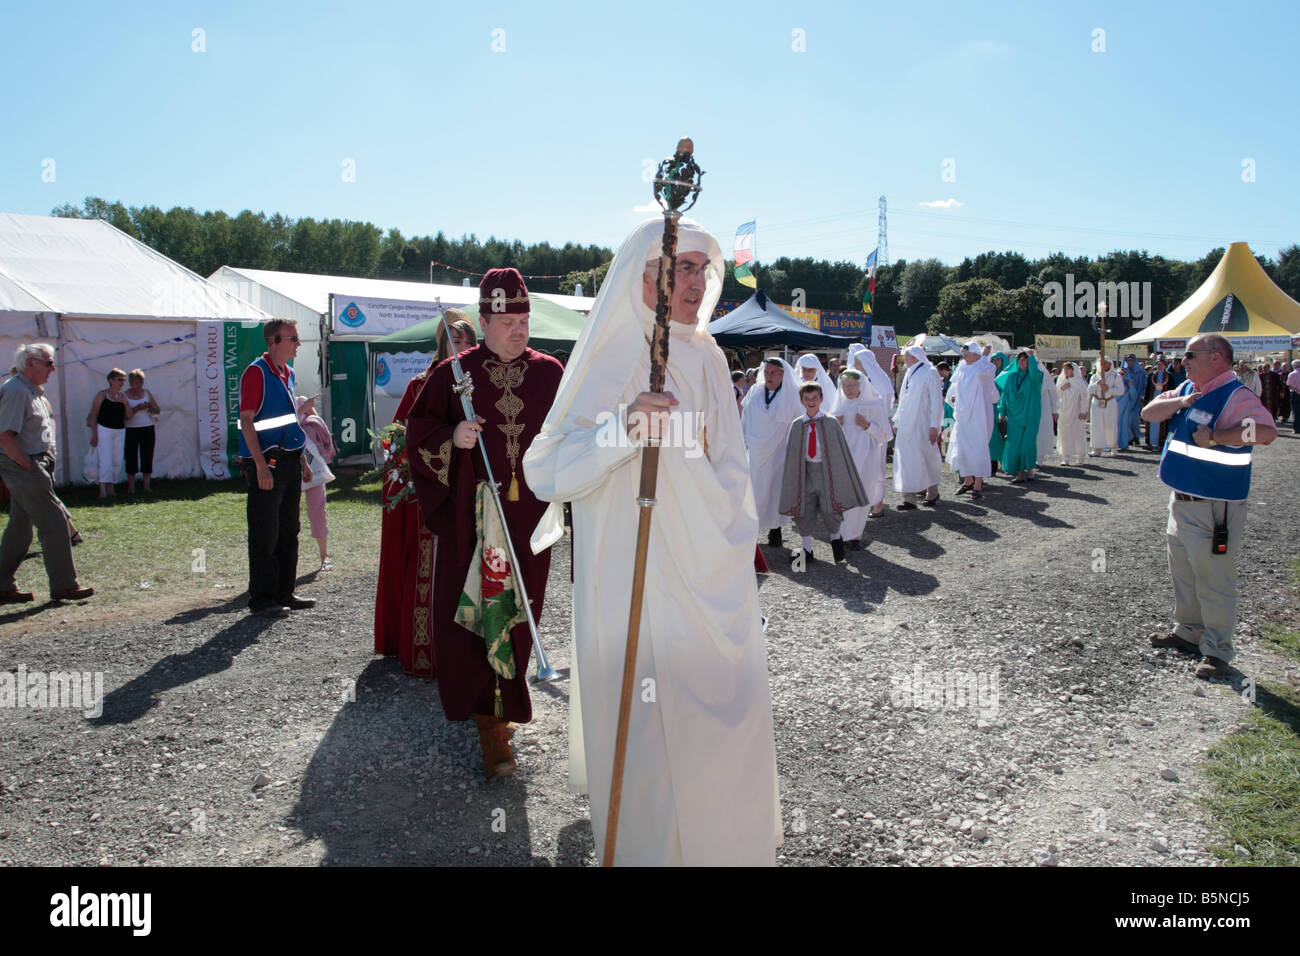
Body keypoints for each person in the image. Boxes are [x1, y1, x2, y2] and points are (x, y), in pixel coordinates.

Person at [522, 218, 781, 866]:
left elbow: (732, 466)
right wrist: (623, 430)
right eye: (681, 268)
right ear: (644, 277)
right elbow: (544, 469)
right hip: (630, 582)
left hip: (709, 577)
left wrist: (707, 509)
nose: (696, 283)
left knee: (719, 735)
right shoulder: (610, 354)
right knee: (650, 754)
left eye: (702, 269)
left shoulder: (711, 356)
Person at [408, 270, 562, 779]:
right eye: (507, 321)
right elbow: (418, 433)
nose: (519, 330)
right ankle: (490, 725)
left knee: (520, 614)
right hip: (476, 524)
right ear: (484, 319)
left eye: (524, 320)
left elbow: (571, 437)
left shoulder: (550, 373)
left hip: (529, 522)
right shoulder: (454, 374)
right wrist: (452, 434)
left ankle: (504, 708)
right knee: (479, 612)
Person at [1141, 333, 1277, 679]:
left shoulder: (1235, 394)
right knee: (1184, 573)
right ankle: (1190, 631)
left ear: (1216, 357)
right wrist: (1181, 403)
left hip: (1215, 506)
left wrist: (1218, 437)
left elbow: (1266, 431)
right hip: (1182, 500)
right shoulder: (1189, 389)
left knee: (1215, 579)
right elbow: (1149, 412)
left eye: (1191, 355)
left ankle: (1218, 650)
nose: (1184, 361)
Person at [374, 310, 478, 679]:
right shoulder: (422, 384)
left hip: (472, 493)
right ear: (440, 343)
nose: (459, 345)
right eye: (452, 339)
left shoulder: (480, 381)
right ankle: (427, 652)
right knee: (431, 570)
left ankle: (470, 654)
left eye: (466, 339)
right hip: (430, 495)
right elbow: (400, 439)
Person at [0, 344, 94, 602]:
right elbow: (5, 437)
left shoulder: (31, 391)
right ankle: (64, 585)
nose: (53, 368)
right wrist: (29, 467)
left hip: (31, 465)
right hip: (25, 467)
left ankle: (2, 585)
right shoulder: (17, 391)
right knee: (54, 524)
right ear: (30, 363)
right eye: (48, 363)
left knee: (19, 529)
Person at [237, 319, 316, 618]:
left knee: (289, 529)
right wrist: (259, 466)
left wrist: (302, 460)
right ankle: (262, 598)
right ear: (273, 341)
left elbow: (289, 422)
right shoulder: (257, 372)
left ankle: (285, 591)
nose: (298, 343)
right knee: (265, 532)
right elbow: (246, 421)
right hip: (267, 461)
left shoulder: (288, 373)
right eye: (293, 338)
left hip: (288, 461)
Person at [778, 381, 869, 564]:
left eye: (814, 398)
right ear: (802, 401)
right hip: (806, 473)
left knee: (831, 509)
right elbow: (793, 453)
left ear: (821, 399)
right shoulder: (797, 425)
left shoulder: (830, 422)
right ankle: (807, 550)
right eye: (807, 398)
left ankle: (837, 545)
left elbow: (839, 451)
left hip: (827, 473)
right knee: (804, 510)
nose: (811, 402)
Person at [741, 356, 802, 547]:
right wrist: (742, 443)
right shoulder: (754, 391)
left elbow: (798, 424)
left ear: (783, 375)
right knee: (754, 491)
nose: (769, 376)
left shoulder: (790, 395)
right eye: (766, 372)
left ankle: (775, 530)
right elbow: (745, 419)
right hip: (756, 452)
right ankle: (751, 532)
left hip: (778, 453)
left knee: (774, 492)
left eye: (773, 373)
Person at [833, 369, 890, 541]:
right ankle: (842, 533)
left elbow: (885, 435)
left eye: (852, 385)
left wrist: (867, 426)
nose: (848, 389)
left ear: (861, 385)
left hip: (866, 457)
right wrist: (835, 424)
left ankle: (856, 534)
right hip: (843, 457)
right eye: (845, 385)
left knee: (861, 494)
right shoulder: (838, 404)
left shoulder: (875, 404)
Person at [892, 344, 943, 508]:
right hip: (906, 425)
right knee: (906, 459)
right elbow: (904, 399)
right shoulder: (909, 372)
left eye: (906, 356)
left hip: (923, 423)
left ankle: (932, 492)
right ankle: (909, 498)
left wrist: (934, 425)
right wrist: (897, 420)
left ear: (914, 356)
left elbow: (936, 401)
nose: (904, 359)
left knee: (925, 457)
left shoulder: (930, 372)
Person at [946, 341, 997, 499]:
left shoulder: (983, 367)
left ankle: (978, 484)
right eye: (964, 354)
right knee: (962, 447)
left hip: (978, 416)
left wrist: (985, 356)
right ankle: (968, 480)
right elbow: (954, 388)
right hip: (962, 415)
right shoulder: (962, 368)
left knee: (978, 446)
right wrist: (953, 398)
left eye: (967, 354)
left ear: (976, 354)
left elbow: (989, 370)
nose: (965, 356)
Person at [296, 395, 336, 571]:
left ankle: (324, 555)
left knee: (317, 511)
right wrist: (302, 410)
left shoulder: (299, 399)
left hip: (313, 467)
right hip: (288, 467)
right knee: (287, 515)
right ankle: (288, 559)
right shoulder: (280, 401)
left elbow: (318, 424)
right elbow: (283, 428)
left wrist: (305, 408)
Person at [995, 350, 1043, 482]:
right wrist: (1001, 411)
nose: (1022, 362)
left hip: (1030, 414)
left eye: (1025, 359)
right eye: (1020, 360)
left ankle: (1030, 470)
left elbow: (1034, 373)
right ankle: (1019, 473)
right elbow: (1004, 396)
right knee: (1015, 443)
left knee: (1028, 442)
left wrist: (1032, 357)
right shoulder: (1012, 377)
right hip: (1014, 416)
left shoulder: (1035, 376)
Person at [86, 368, 128, 499]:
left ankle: (111, 487)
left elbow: (129, 416)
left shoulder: (122, 397)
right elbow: (93, 414)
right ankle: (102, 489)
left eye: (123, 380)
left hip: (119, 430)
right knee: (105, 459)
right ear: (111, 380)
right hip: (104, 429)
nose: (122, 383)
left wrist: (125, 403)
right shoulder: (102, 395)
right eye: (119, 380)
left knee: (117, 459)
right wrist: (94, 434)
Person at [121, 369, 160, 494]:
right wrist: (137, 408)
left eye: (140, 383)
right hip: (130, 429)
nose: (138, 386)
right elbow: (125, 416)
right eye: (135, 383)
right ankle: (131, 486)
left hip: (147, 427)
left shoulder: (147, 393)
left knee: (147, 455)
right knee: (130, 456)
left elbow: (157, 410)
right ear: (130, 383)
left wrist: (150, 407)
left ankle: (146, 485)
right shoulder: (124, 395)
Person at [1055, 362, 1089, 465]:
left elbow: (1084, 397)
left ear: (1073, 370)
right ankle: (1066, 457)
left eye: (1068, 369)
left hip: (1076, 412)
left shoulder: (1079, 382)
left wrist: (1084, 411)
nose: (1065, 371)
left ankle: (1080, 456)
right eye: (1064, 369)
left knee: (1078, 434)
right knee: (1064, 434)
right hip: (1063, 412)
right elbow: (1056, 395)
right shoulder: (1061, 381)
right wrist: (1062, 388)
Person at [1088, 357, 1123, 456]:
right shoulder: (1095, 376)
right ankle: (1096, 448)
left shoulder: (1116, 376)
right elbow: (1089, 390)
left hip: (1110, 402)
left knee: (1111, 425)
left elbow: (1121, 391)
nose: (1104, 365)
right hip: (1097, 402)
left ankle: (1113, 447)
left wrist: (1108, 389)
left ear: (1110, 364)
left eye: (1106, 363)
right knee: (1096, 426)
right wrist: (1097, 384)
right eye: (1102, 363)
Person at [1117, 354, 1147, 448]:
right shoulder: (1121, 372)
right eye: (1127, 360)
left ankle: (1135, 437)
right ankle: (1127, 439)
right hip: (1123, 400)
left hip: (1136, 399)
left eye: (1131, 360)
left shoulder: (1141, 371)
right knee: (1123, 421)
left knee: (1133, 420)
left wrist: (1141, 395)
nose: (1129, 362)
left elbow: (1143, 384)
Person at [1035, 352, 1059, 466]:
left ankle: (1039, 458)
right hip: (1030, 408)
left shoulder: (1046, 377)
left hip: (1044, 408)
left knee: (1042, 432)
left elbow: (1053, 395)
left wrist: (1055, 410)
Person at [986, 352, 1008, 474]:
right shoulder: (989, 375)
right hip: (990, 410)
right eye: (994, 360)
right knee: (992, 440)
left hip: (1003, 411)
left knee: (1004, 438)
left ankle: (1005, 464)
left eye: (999, 360)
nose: (996, 362)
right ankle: (992, 464)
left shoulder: (1007, 376)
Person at [1287, 360, 1300, 433]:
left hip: (1295, 394)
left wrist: (1297, 391)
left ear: (1293, 366)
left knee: (1296, 411)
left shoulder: (1292, 374)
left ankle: (1297, 429)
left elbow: (1290, 385)